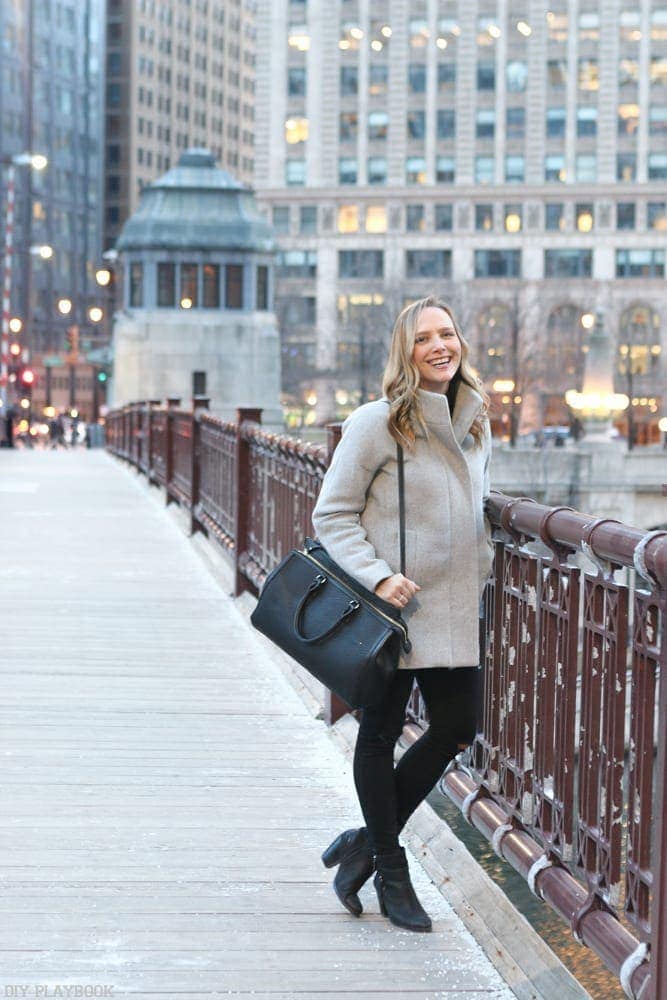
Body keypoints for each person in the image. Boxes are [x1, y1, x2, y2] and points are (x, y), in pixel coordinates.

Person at [312, 295, 493, 933]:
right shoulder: (377, 421)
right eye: (424, 339)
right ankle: (390, 868)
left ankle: (362, 844)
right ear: (405, 352)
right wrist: (379, 575)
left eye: (448, 333)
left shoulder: (475, 419)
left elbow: (475, 502)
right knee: (381, 733)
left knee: (455, 727)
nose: (440, 346)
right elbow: (331, 514)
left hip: (451, 606)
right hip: (390, 609)